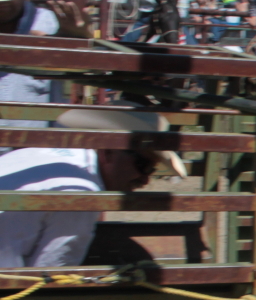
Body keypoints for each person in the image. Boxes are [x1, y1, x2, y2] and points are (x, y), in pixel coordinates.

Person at [0, 110, 173, 267]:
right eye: (142, 165)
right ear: (109, 152)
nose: (145, 179)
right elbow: (52, 270)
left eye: (151, 170)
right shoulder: (82, 191)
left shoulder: (50, 153)